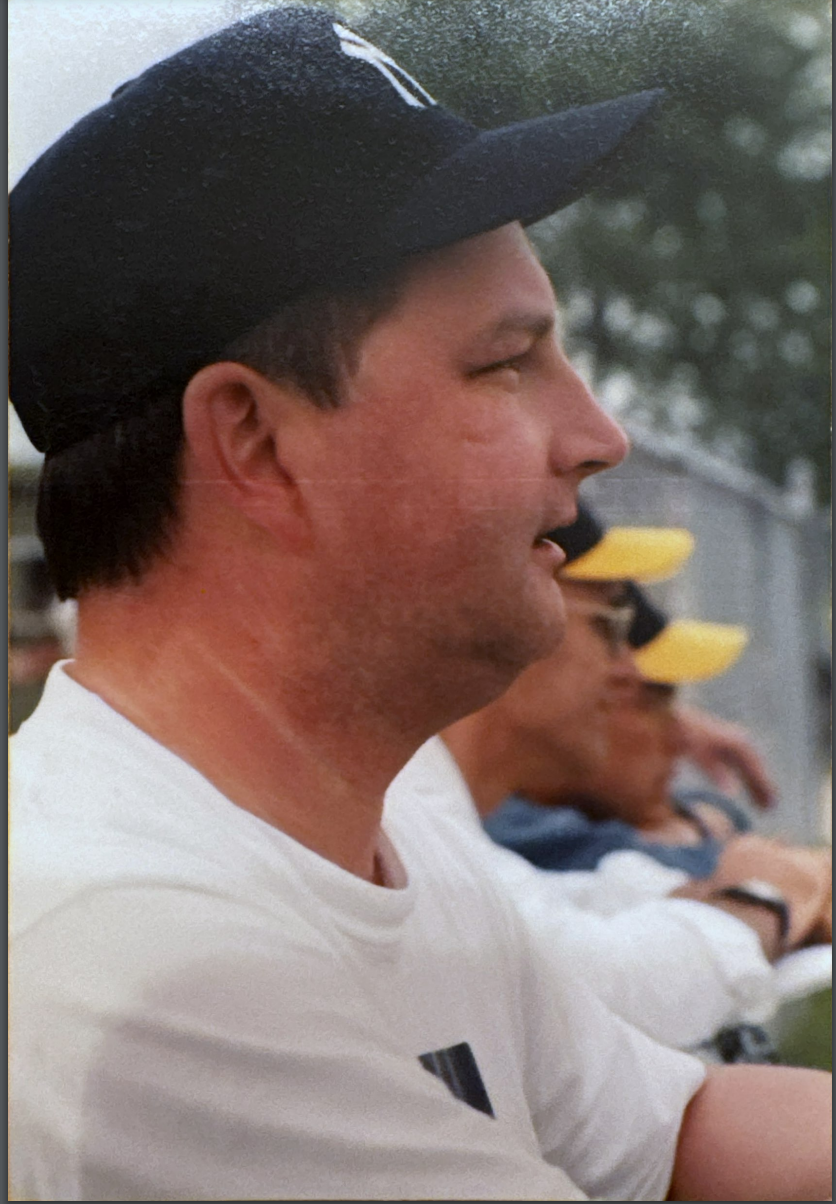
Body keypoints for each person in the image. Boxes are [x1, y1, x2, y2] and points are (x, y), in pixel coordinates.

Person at [9, 8, 830, 1201]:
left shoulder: (386, 840)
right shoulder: (138, 958)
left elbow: (679, 1131)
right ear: (255, 442)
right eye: (504, 363)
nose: (596, 436)